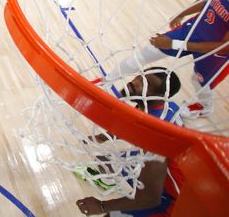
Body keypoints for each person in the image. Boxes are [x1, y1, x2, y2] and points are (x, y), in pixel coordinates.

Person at [105, 0, 229, 118]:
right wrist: (182, 14)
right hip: (194, 30)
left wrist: (174, 44)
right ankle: (107, 82)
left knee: (198, 81)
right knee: (146, 53)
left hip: (217, 52)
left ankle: (205, 107)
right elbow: (208, 0)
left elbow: (225, 46)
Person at [77, 68, 183, 216]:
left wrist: (101, 206)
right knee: (105, 160)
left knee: (111, 215)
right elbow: (132, 127)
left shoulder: (155, 134)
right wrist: (102, 138)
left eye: (147, 84)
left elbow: (151, 197)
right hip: (162, 164)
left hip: (172, 202)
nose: (134, 83)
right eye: (140, 77)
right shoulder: (158, 106)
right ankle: (111, 182)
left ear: (160, 96)